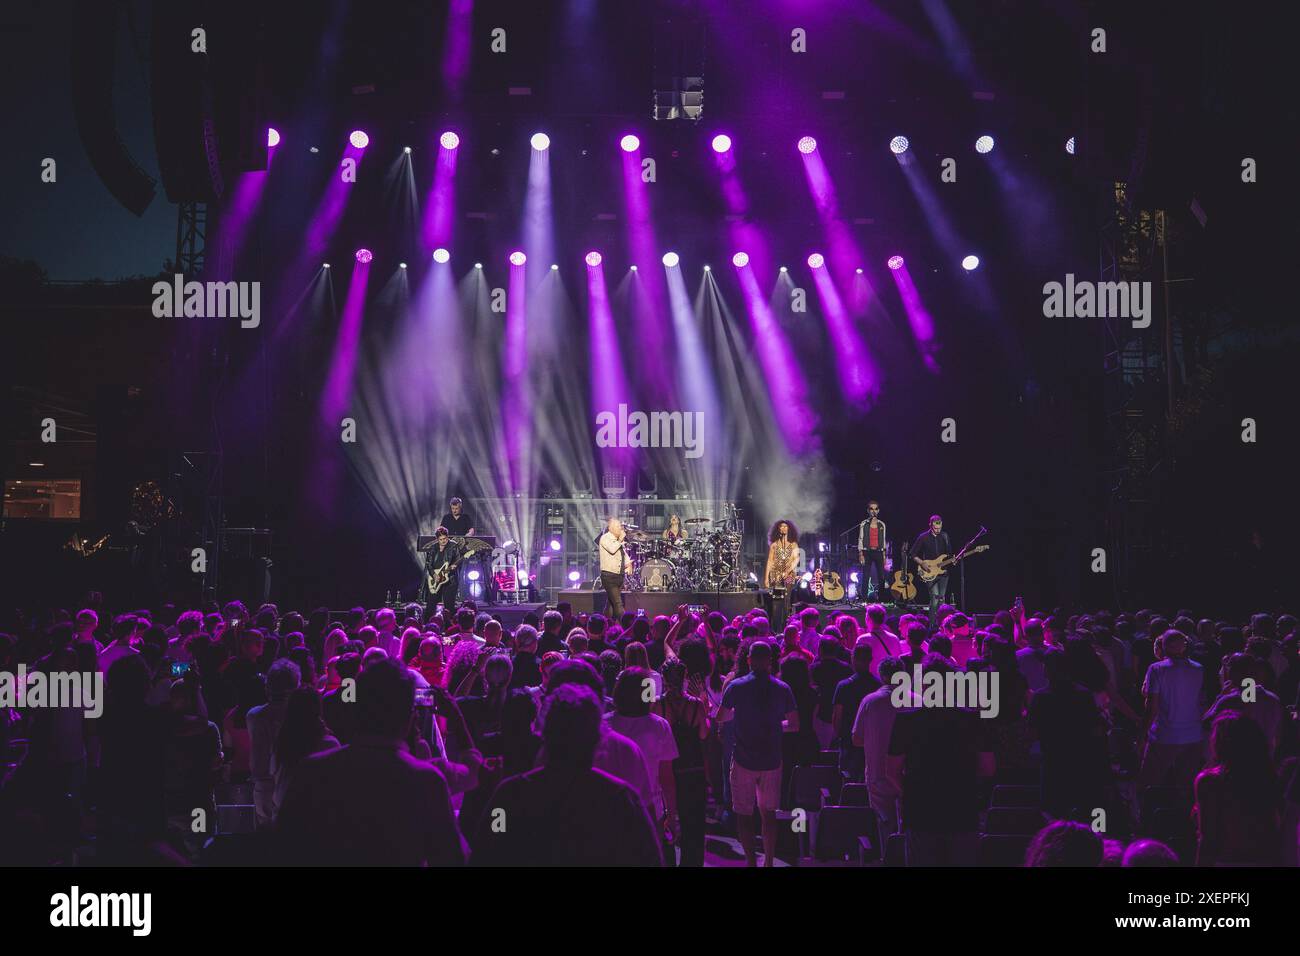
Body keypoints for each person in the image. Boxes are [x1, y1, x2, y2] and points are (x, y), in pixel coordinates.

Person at [276, 658, 466, 866]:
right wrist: (458, 719)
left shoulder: (311, 771)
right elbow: (452, 859)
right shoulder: (426, 781)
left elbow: (284, 850)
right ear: (410, 719)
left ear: (357, 711)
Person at [470, 684, 661, 866]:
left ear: (545, 733)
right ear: (597, 738)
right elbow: (648, 859)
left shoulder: (509, 797)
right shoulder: (622, 799)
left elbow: (487, 852)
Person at [717, 640, 799, 867]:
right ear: (770, 662)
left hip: (743, 759)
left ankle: (751, 861)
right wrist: (774, 724)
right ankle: (770, 861)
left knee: (744, 815)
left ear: (749, 660)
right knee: (768, 814)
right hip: (772, 760)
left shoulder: (736, 686)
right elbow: (794, 725)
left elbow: (721, 718)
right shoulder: (782, 688)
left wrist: (740, 717)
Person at [1192, 712, 1282, 866]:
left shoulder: (1210, 782)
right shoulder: (1268, 777)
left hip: (1228, 861)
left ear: (1219, 743)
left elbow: (1208, 839)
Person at [606, 668, 679, 849]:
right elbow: (667, 777)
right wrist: (671, 815)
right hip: (650, 807)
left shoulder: (604, 724)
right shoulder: (659, 726)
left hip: (610, 806)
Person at [651, 659, 709, 866]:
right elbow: (703, 735)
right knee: (693, 827)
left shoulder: (659, 705)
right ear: (684, 678)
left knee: (667, 822)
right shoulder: (696, 705)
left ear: (664, 679)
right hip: (693, 769)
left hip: (668, 769)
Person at [1138, 630, 1204, 791]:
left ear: (1164, 646)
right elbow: (1200, 702)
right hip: (1192, 735)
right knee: (1187, 786)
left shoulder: (1156, 669)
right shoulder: (1198, 668)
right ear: (1184, 647)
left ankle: (1146, 815)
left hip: (1164, 735)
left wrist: (1141, 735)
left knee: (1148, 784)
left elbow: (1152, 707)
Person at [246, 658, 300, 826]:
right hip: (292, 785)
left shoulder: (254, 715)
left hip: (263, 786)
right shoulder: (299, 717)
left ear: (268, 686)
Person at [911, 515, 954, 627]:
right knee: (934, 600)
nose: (938, 530)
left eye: (940, 528)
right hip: (929, 572)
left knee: (942, 601)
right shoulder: (923, 537)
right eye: (935, 528)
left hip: (943, 572)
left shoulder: (945, 536)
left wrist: (952, 560)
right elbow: (913, 554)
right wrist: (922, 563)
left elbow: (948, 554)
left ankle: (942, 626)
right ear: (930, 525)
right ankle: (931, 626)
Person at [765, 520, 800, 630]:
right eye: (781, 526)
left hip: (789, 575)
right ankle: (775, 627)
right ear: (778, 529)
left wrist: (788, 570)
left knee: (787, 599)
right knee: (776, 601)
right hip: (776, 574)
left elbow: (796, 559)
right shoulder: (774, 545)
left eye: (786, 526)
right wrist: (766, 577)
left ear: (789, 528)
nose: (784, 528)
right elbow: (770, 561)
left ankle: (786, 626)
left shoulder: (794, 544)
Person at [598, 517, 632, 619]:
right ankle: (625, 626)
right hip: (609, 576)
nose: (621, 528)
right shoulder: (605, 538)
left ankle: (605, 623)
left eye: (621, 526)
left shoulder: (618, 541)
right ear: (611, 528)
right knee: (618, 603)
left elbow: (623, 555)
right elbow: (612, 549)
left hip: (619, 576)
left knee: (611, 604)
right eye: (618, 526)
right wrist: (621, 540)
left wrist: (629, 564)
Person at [424, 527, 463, 614]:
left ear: (447, 537)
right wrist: (434, 574)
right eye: (441, 539)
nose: (443, 541)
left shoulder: (453, 545)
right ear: (437, 539)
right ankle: (429, 624)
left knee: (449, 606)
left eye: (445, 538)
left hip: (450, 580)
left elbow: (458, 560)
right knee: (430, 605)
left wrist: (454, 566)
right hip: (435, 579)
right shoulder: (433, 547)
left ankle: (449, 625)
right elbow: (428, 564)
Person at [857, 500, 888, 601]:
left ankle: (882, 599)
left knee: (881, 576)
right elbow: (861, 538)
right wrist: (861, 553)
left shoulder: (881, 524)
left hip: (878, 552)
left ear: (878, 511)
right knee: (866, 576)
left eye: (875, 509)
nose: (873, 511)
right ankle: (864, 599)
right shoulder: (864, 523)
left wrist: (884, 556)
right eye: (871, 509)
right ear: (868, 511)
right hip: (867, 552)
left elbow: (883, 540)